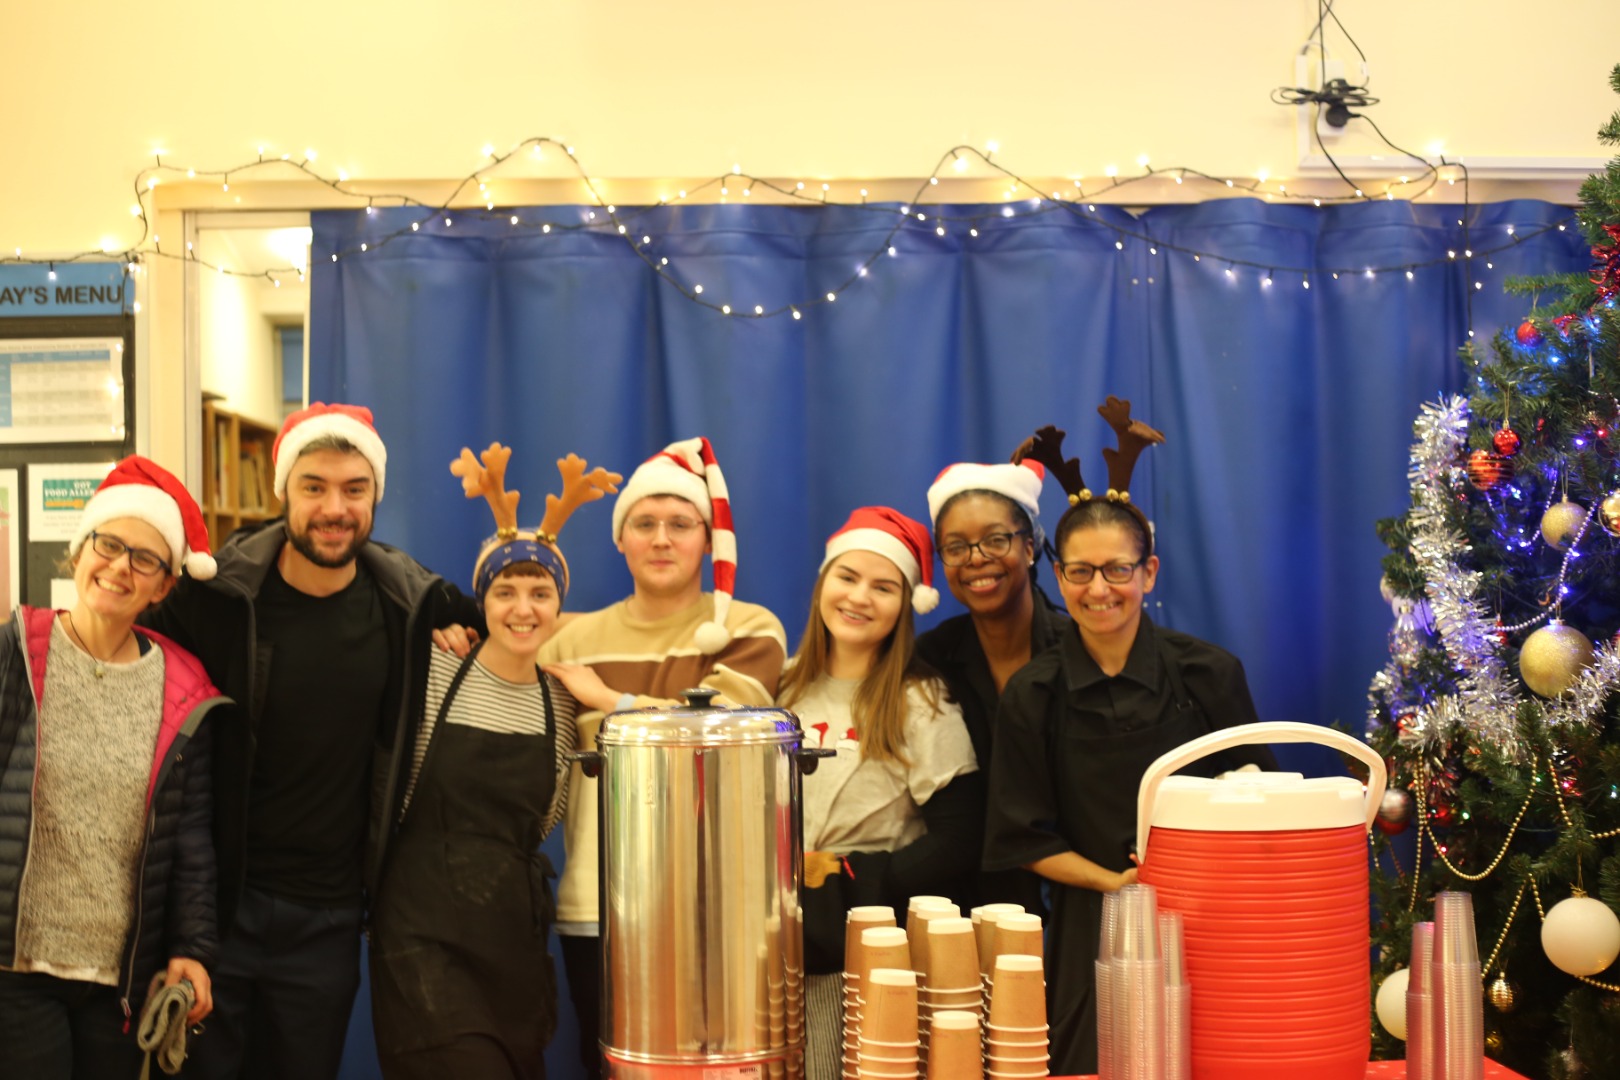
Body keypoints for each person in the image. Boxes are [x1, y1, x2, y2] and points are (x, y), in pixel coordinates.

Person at [141, 402, 483, 1080]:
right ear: (284, 495)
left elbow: (520, 623)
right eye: (314, 487)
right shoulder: (219, 596)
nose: (335, 508)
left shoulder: (410, 604)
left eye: (354, 489)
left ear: (375, 496)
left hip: (326, 920)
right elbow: (126, 649)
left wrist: (458, 629)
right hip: (218, 913)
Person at [983, 406, 1278, 1076]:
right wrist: (1119, 883)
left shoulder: (1209, 674)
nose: (1099, 589)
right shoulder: (1033, 694)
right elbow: (1023, 839)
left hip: (1214, 924)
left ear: (1150, 572)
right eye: (1080, 572)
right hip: (1093, 932)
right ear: (1058, 575)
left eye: (1117, 570)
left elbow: (1262, 798)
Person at [540, 436, 787, 1079]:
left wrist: (609, 700)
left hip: (725, 909)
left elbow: (716, 728)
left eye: (680, 524)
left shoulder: (750, 628)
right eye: (644, 524)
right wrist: (454, 630)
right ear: (621, 540)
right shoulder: (569, 641)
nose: (660, 539)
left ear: (706, 541)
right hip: (599, 906)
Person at [369, 443, 618, 1079]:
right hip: (420, 935)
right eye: (505, 591)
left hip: (511, 942)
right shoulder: (433, 670)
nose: (523, 609)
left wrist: (612, 702)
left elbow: (547, 819)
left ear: (559, 605)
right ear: (481, 600)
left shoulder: (561, 703)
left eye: (540, 592)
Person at [0, 456, 225, 1077]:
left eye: (145, 559)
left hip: (120, 980)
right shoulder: (16, 654)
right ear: (79, 552)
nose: (121, 566)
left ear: (164, 586)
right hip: (15, 970)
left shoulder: (184, 690)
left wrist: (192, 948)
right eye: (109, 544)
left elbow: (191, 840)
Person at [778, 507, 980, 1080]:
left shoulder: (921, 700)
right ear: (823, 583)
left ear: (905, 605)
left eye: (884, 587)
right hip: (779, 946)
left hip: (870, 944)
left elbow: (960, 837)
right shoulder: (781, 687)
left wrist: (860, 881)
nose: (860, 597)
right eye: (847, 577)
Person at [914, 454, 1068, 915]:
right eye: (956, 547)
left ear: (1030, 546)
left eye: (996, 539)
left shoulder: (1078, 652)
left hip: (1074, 894)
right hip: (963, 904)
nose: (976, 558)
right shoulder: (929, 660)